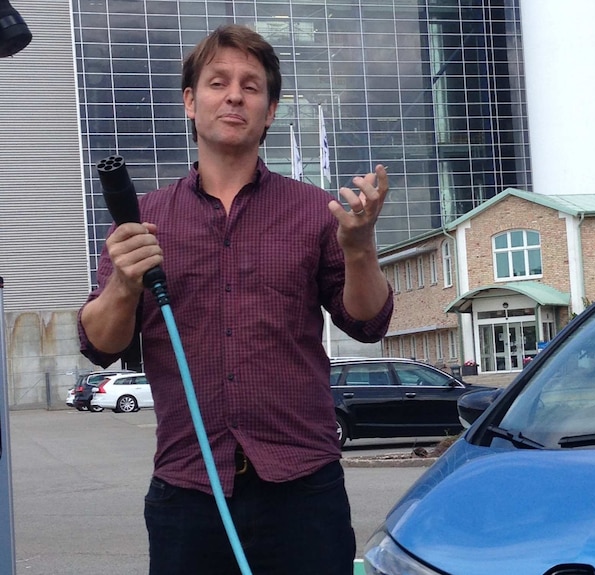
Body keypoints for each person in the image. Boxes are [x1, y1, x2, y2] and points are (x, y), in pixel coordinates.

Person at [77, 24, 393, 575]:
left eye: (251, 86)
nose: (234, 95)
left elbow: (369, 323)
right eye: (218, 82)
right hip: (188, 489)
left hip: (303, 490)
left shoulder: (314, 211)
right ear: (190, 102)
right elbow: (99, 345)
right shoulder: (145, 219)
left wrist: (360, 248)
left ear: (269, 111)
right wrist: (124, 285)